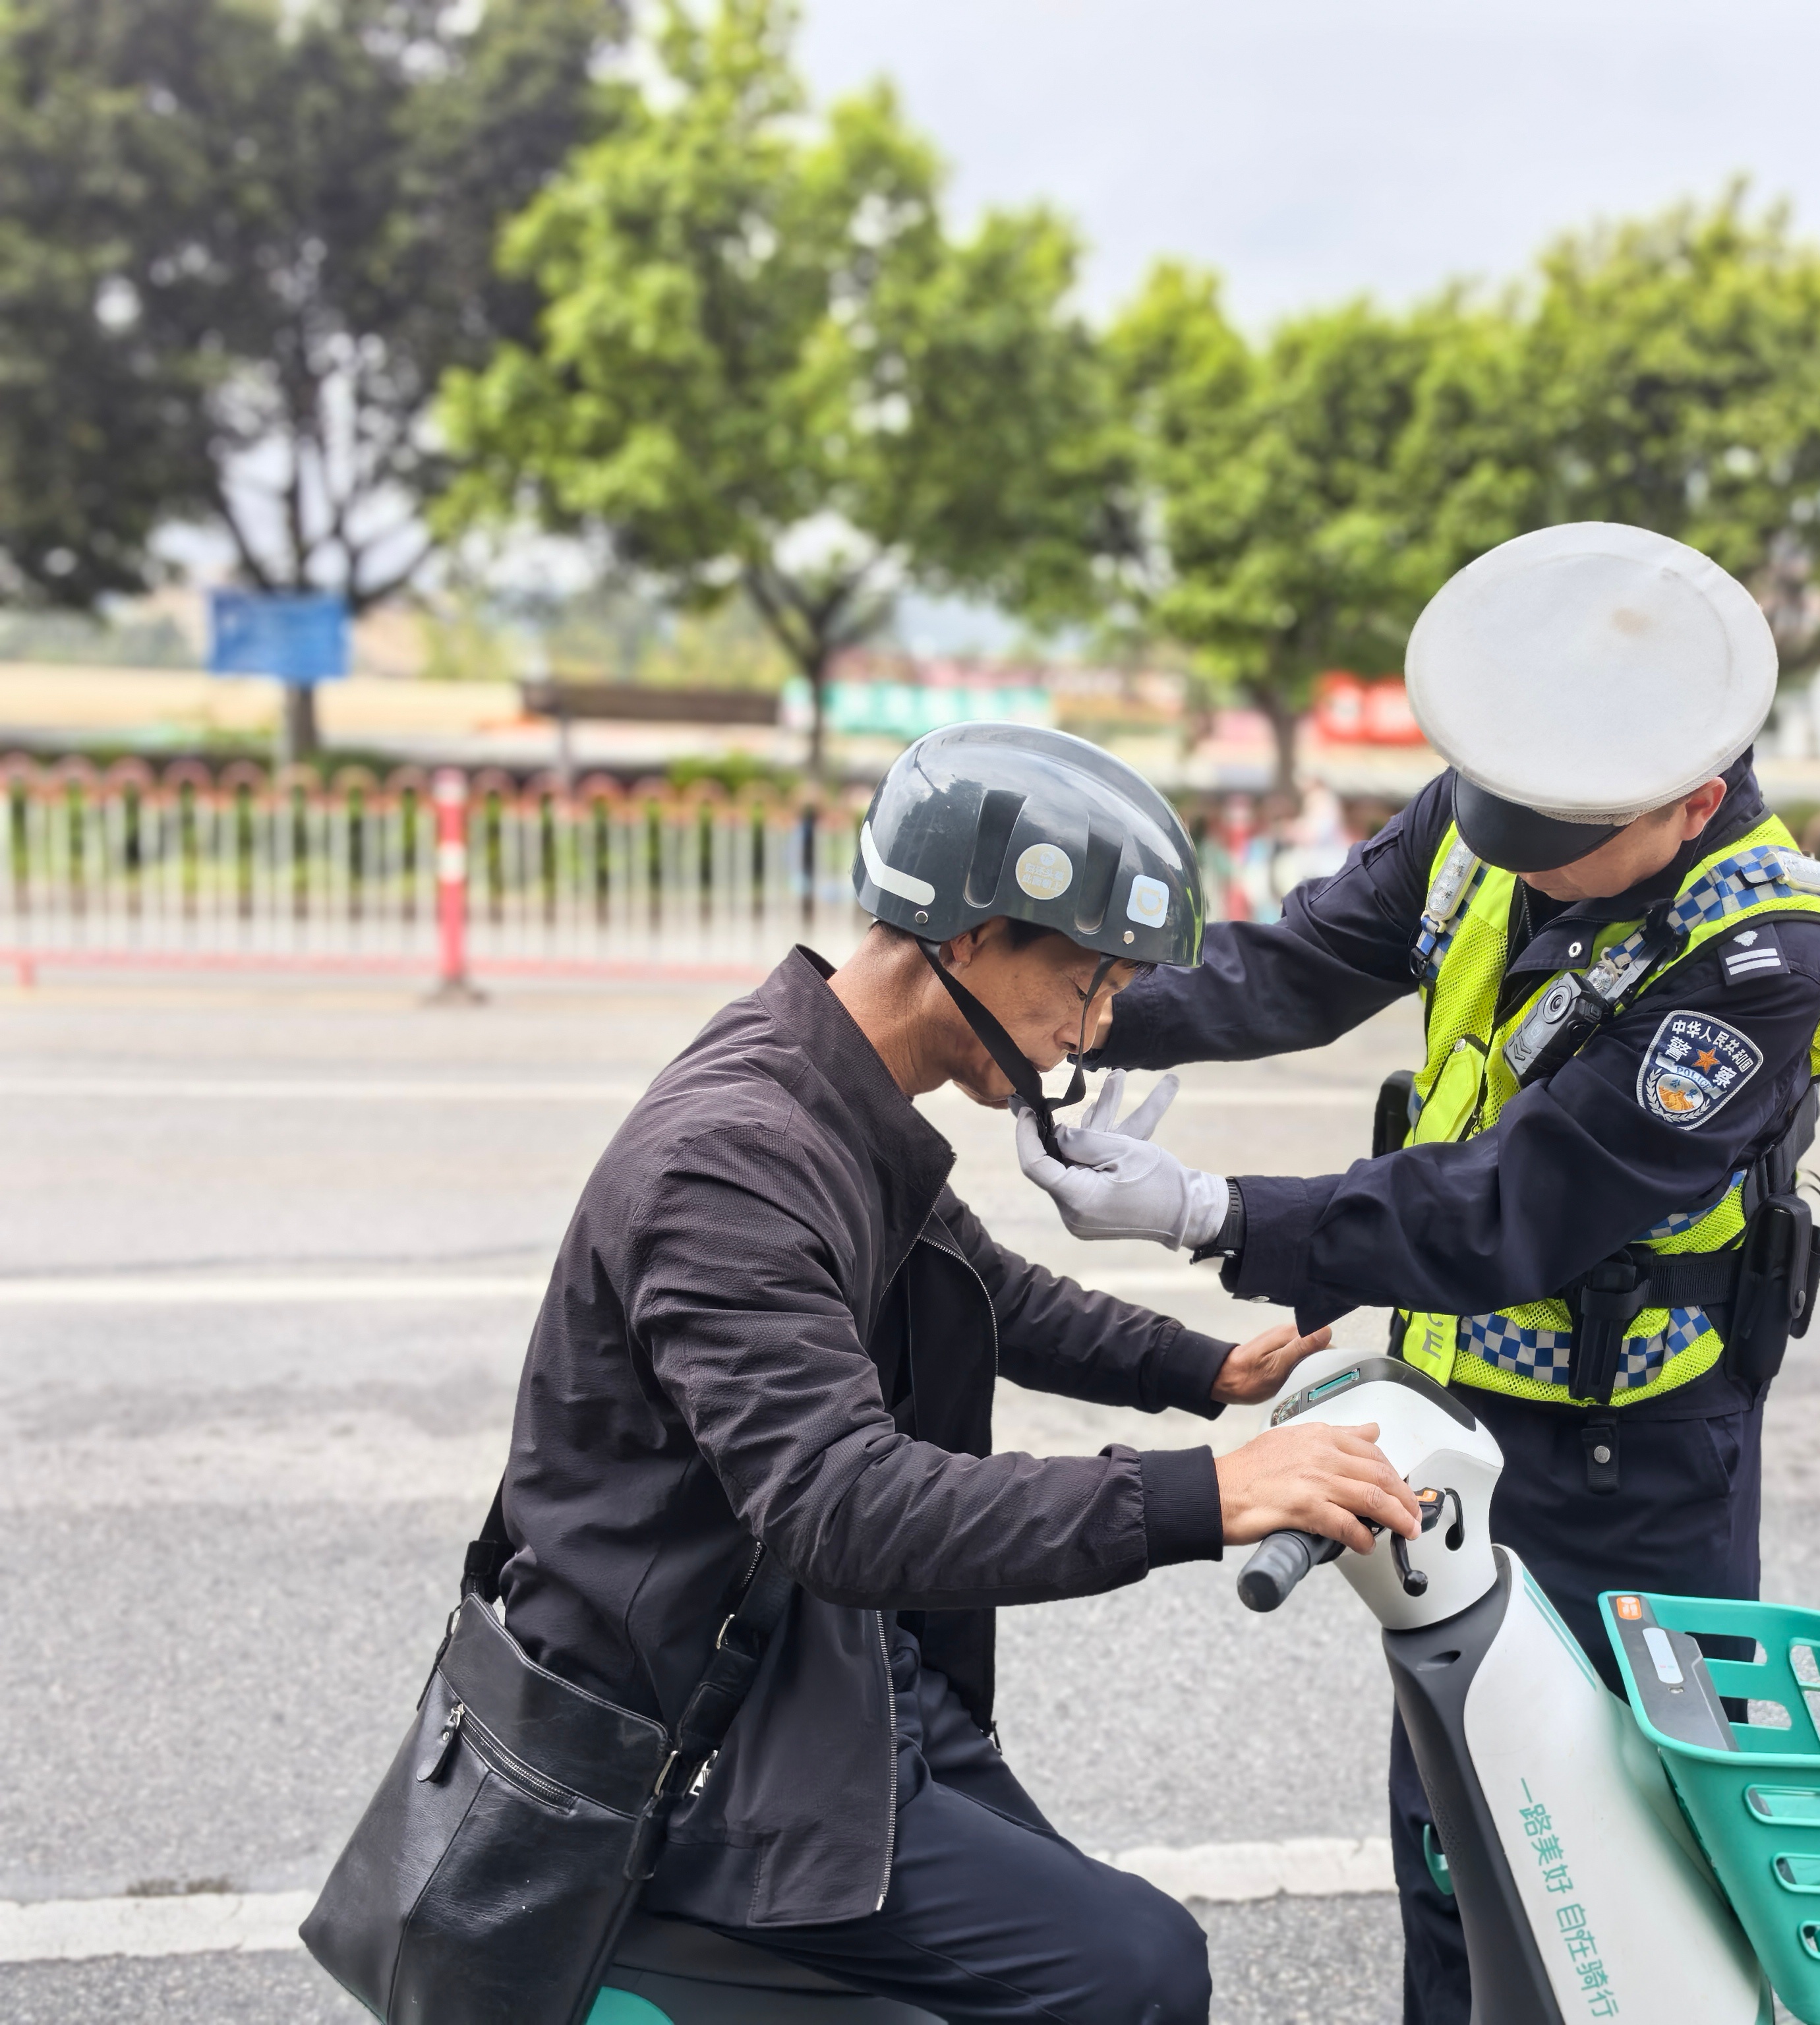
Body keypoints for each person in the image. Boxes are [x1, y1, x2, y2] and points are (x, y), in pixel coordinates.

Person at [1013, 523, 1820, 2025]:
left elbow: (1512, 1214)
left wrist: (1207, 1212)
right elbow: (1300, 963)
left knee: (1634, 1861)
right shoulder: (1505, 802)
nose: (1518, 864)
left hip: (1637, 1465)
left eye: (1565, 849)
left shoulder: (1757, 954)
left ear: (1691, 803)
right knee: (1462, 1836)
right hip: (1454, 1430)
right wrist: (1071, 1009)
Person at [492, 723, 1421, 2024]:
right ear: (971, 939)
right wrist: (1209, 1494)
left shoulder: (826, 1081)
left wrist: (1210, 1370)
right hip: (680, 1725)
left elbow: (983, 1290)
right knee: (1135, 1970)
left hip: (808, 1657)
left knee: (1088, 1932)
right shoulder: (734, 1159)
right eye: (1087, 986)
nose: (1093, 1032)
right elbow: (845, 1508)